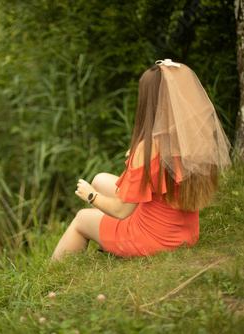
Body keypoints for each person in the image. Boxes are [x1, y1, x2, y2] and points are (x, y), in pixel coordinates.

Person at [51, 59, 231, 261]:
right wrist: (139, 159)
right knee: (100, 179)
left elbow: (121, 210)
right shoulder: (191, 138)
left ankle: (51, 280)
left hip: (153, 240)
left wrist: (91, 196)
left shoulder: (147, 149)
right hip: (184, 233)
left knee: (81, 219)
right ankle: (108, 246)